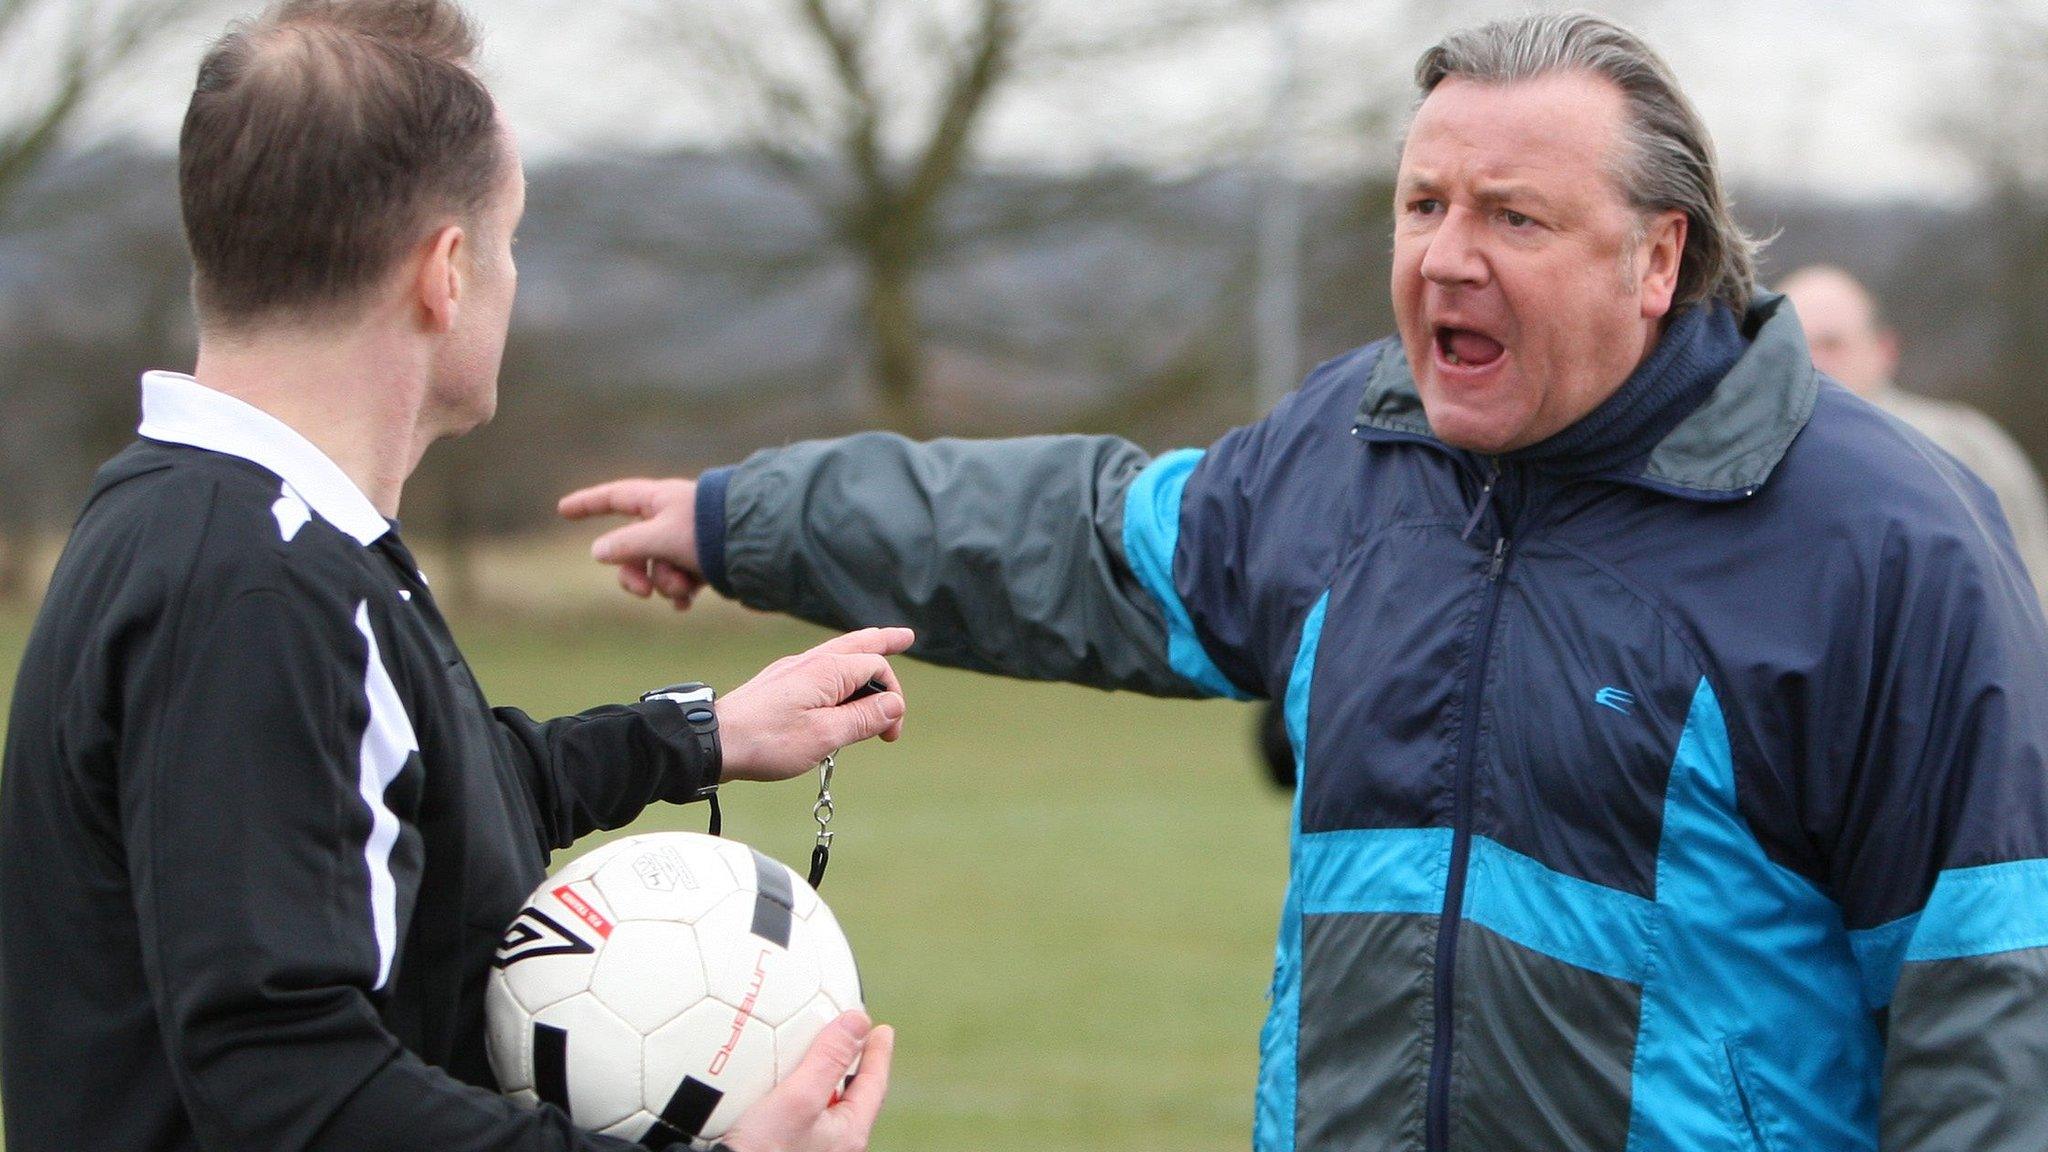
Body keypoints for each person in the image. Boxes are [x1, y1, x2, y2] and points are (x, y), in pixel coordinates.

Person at [563, 12, 2048, 1151]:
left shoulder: (1886, 542)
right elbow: (1063, 535)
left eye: (1511, 219)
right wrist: (742, 517)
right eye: (1422, 208)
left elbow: (1989, 996)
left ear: (1658, 257)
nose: (1446, 260)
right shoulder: (1356, 457)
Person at [0, 4, 905, 1151]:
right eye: (511, 240)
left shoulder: (222, 524)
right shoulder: (254, 591)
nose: (512, 277)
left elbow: (413, 808)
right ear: (447, 271)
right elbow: (290, 1084)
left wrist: (701, 737)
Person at [1781, 263, 2048, 607]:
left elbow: (2032, 579)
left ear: (1884, 349)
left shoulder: (1963, 445)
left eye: (1831, 344)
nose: (1814, 362)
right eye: (1796, 345)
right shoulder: (1742, 461)